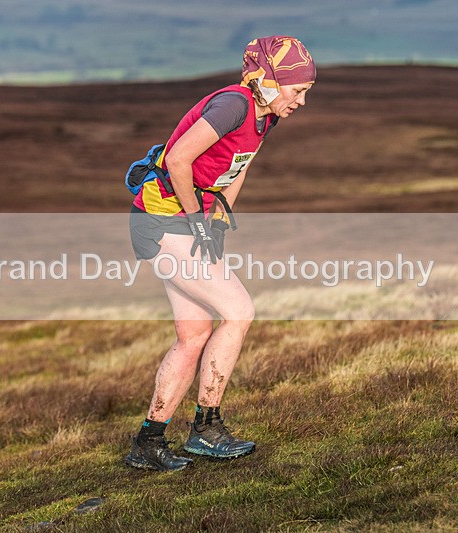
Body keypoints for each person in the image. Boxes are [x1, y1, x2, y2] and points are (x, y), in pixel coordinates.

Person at [125, 36, 316, 471]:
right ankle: (206, 429)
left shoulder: (266, 116)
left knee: (193, 336)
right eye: (298, 90)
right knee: (239, 311)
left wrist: (218, 221)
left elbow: (239, 164)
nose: (302, 101)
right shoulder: (234, 105)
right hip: (161, 220)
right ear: (268, 79)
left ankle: (148, 442)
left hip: (181, 220)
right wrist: (196, 220)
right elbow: (177, 160)